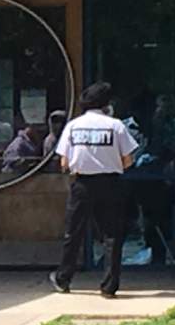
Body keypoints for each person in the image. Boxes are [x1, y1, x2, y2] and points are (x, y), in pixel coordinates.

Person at [50, 82, 137, 298]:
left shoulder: (73, 126)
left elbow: (64, 162)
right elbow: (128, 159)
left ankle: (63, 278)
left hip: (82, 184)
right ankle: (109, 285)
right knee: (112, 235)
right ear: (107, 104)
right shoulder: (116, 126)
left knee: (74, 232)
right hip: (110, 183)